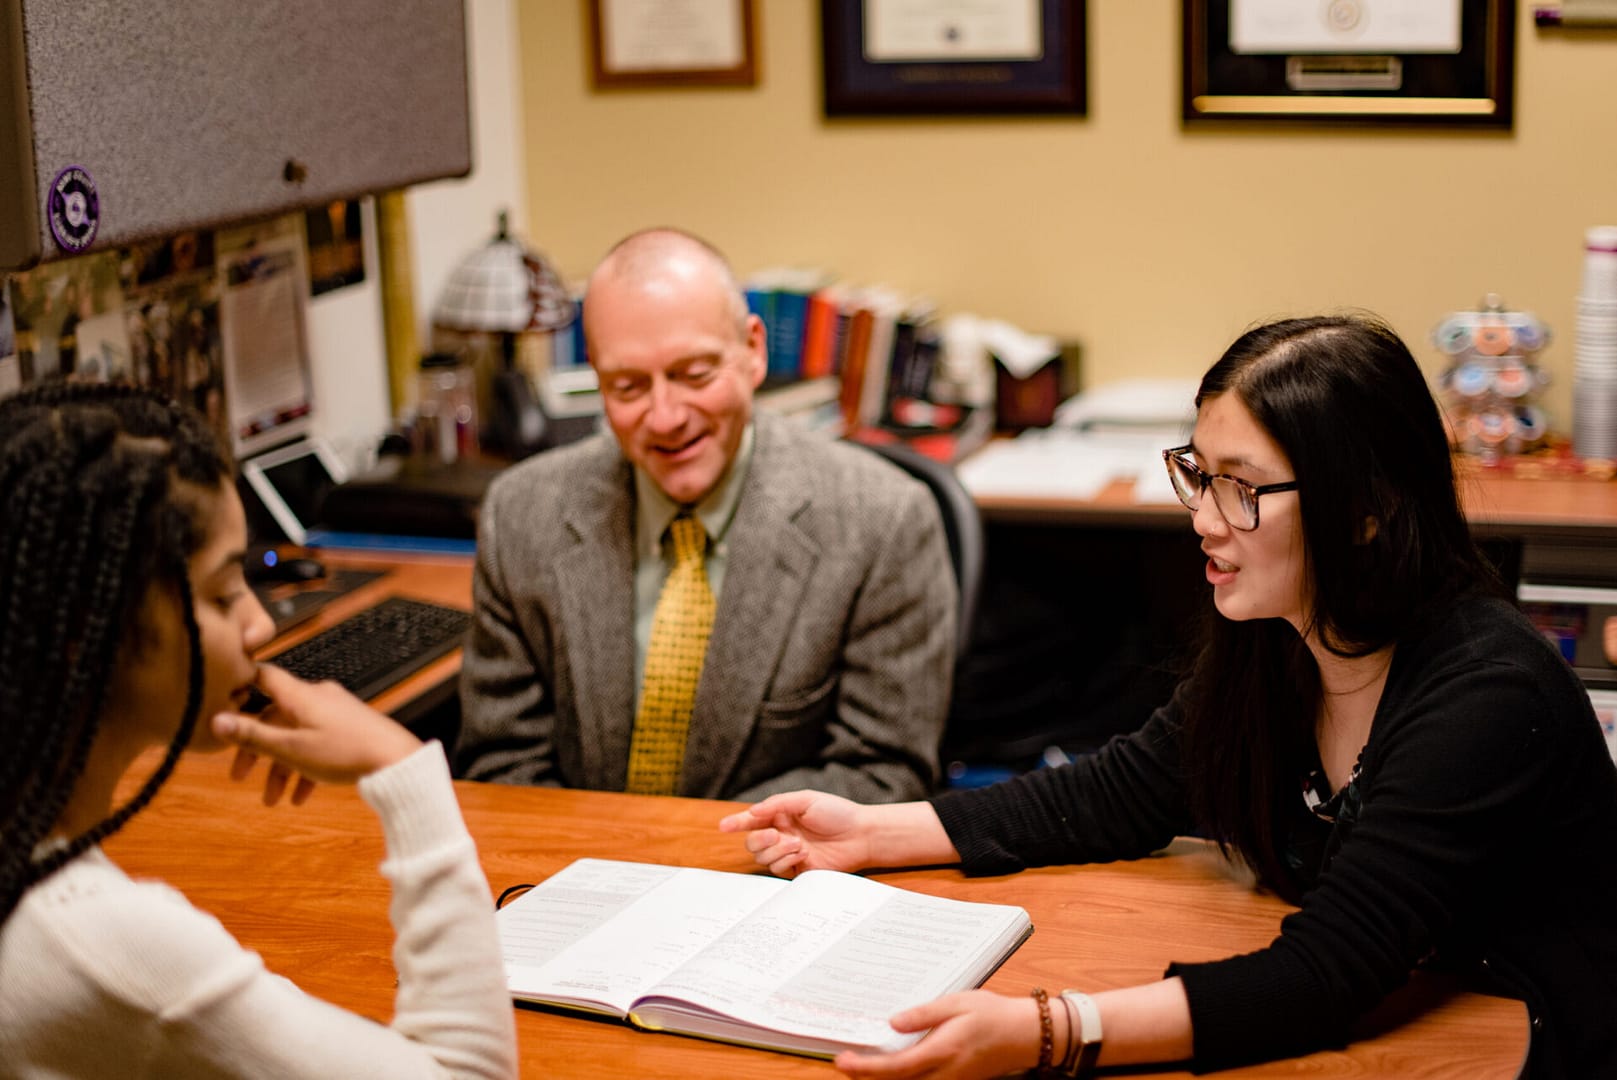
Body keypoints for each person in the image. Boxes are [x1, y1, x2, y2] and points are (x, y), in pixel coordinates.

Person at [721, 314, 1617, 1078]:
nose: (1202, 519)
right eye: (1199, 473)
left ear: (1363, 510)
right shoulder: (1279, 634)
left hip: (1529, 1038)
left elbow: (1329, 973)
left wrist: (1049, 1031)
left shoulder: (1485, 693)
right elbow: (1121, 791)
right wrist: (873, 832)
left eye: (1241, 488)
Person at [0, 381, 517, 1078]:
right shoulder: (105, 942)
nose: (261, 623)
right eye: (222, 594)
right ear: (88, 635)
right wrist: (403, 768)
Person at [455, 228, 955, 801]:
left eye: (694, 375)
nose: (666, 417)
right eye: (628, 386)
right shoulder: (520, 516)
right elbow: (500, 765)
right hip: (574, 855)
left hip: (763, 856)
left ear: (753, 351)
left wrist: (687, 848)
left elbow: (883, 774)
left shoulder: (884, 521)